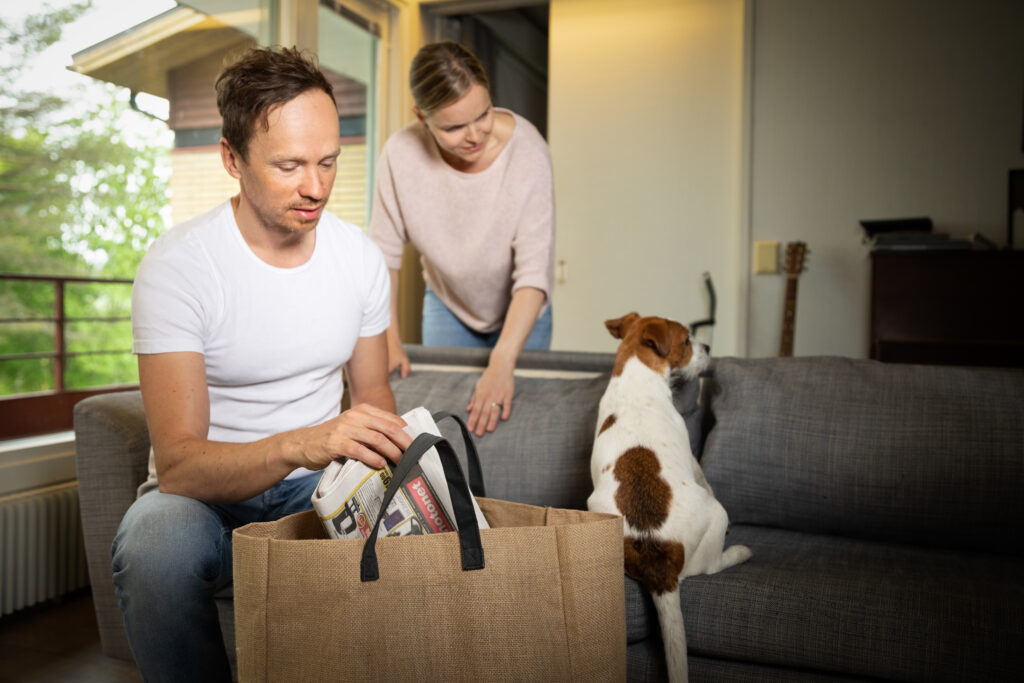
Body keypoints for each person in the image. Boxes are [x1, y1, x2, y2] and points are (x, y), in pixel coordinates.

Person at [112, 46, 412, 682]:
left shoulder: (357, 258)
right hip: (206, 499)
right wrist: (305, 443)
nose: (316, 187)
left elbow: (371, 392)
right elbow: (181, 466)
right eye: (289, 165)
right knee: (153, 545)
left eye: (329, 162)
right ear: (231, 158)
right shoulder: (179, 269)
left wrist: (391, 470)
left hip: (318, 489)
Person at [371, 41, 555, 438]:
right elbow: (384, 256)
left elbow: (534, 273)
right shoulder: (399, 156)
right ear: (421, 116)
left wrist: (502, 363)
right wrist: (389, 339)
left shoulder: (529, 151)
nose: (475, 135)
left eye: (483, 114)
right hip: (448, 304)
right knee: (450, 421)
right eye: (453, 127)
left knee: (515, 421)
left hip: (522, 310)